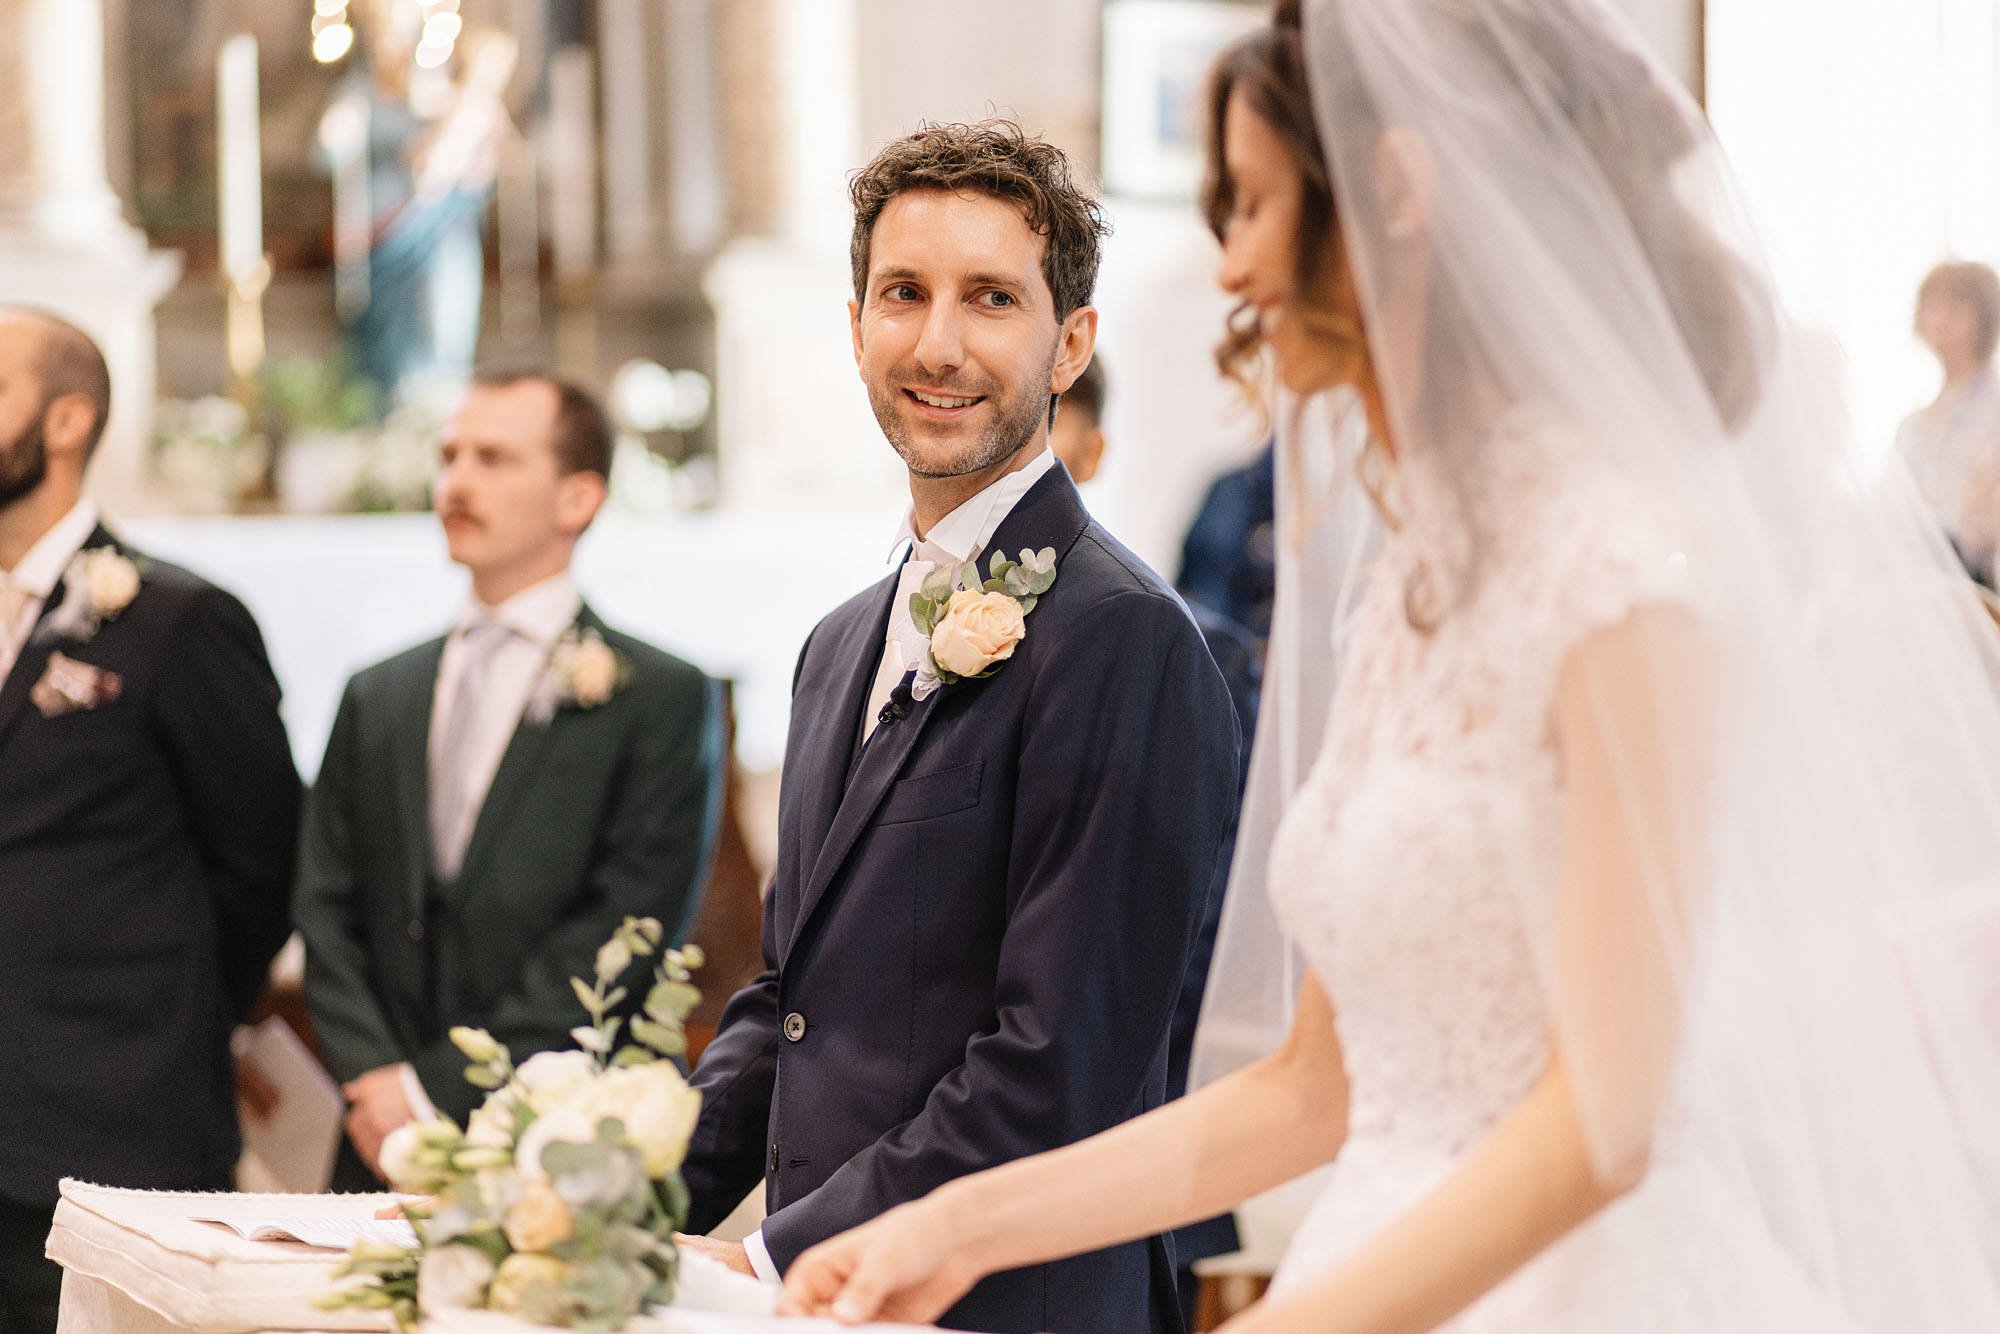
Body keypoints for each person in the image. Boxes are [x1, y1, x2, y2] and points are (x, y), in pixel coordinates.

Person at [778, 2, 2000, 1331]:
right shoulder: (1414, 583)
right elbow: (1311, 1085)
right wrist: (952, 1225)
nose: (1230, 263)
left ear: (1392, 193)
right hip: (1379, 1251)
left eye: (1251, 205)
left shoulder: (1623, 569)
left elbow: (1605, 1122)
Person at [672, 121, 1240, 1334]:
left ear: (1069, 342)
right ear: (854, 327)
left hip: (1014, 1304)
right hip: (834, 1305)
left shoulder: (1123, 638)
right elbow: (786, 1002)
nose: (937, 344)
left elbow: (1058, 1062)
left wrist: (778, 1253)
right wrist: (609, 1207)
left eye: (990, 298)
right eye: (902, 294)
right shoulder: (836, 647)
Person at [294, 370, 725, 1190]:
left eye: (493, 459)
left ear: (577, 498)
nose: (456, 483)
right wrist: (375, 1078)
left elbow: (629, 921)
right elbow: (324, 899)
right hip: (377, 1137)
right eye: (449, 456)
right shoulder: (379, 692)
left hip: (558, 1131)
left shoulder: (659, 698)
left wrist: (433, 1091)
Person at [0, 309, 300, 1333]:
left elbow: (260, 861)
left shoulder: (179, 620)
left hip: (107, 1129)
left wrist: (179, 1021)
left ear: (66, 420)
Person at [1050, 351, 1257, 1324]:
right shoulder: (878, 642)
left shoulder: (1189, 648)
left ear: (1090, 453)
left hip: (1146, 1096)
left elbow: (1206, 907)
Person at [1894, 260, 2000, 586]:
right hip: (1912, 579)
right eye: (1931, 303)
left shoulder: (1993, 411)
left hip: (1974, 582)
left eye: (1955, 304)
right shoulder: (1912, 425)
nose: (1939, 316)